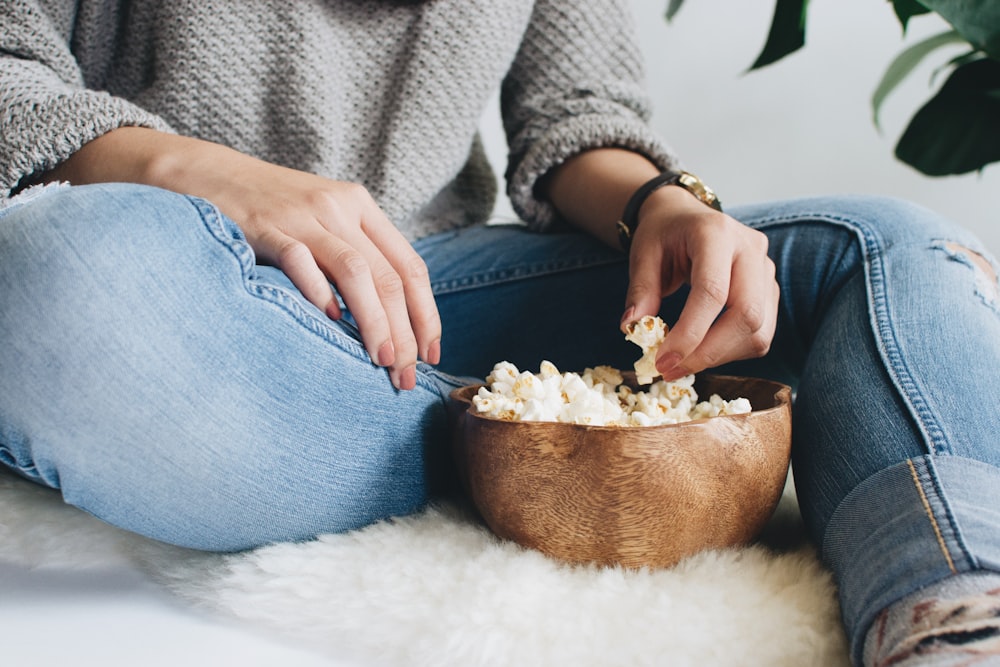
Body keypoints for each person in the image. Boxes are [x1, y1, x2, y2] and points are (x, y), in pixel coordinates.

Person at [1, 1, 998, 664]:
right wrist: (200, 173)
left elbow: (579, 114)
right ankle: (507, 440)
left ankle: (951, 614)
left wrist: (657, 204)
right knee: (54, 277)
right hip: (154, 267)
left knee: (892, 246)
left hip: (429, 292)